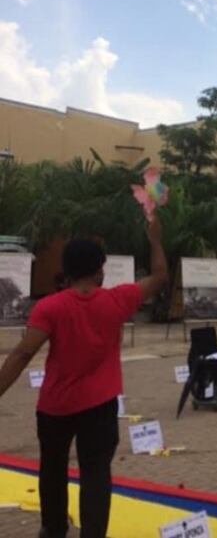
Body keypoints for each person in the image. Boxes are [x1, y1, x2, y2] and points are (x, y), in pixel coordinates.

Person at [0, 218, 167, 538]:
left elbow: (22, 354)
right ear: (99, 270)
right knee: (96, 475)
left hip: (55, 407)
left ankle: (54, 529)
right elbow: (160, 277)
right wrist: (155, 240)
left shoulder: (50, 307)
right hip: (100, 408)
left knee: (52, 472)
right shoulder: (117, 300)